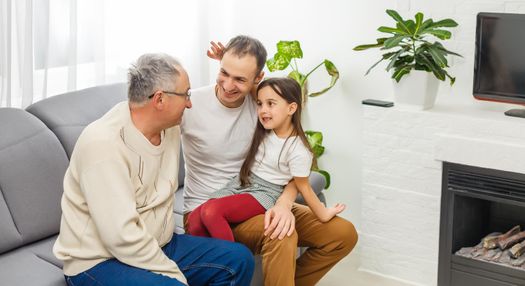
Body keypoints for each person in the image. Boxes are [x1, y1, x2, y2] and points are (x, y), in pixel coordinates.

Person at [53, 53, 254, 286]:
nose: (190, 103)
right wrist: (173, 274)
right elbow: (121, 237)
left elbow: (223, 112)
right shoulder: (102, 145)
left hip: (159, 243)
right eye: (186, 95)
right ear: (160, 100)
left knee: (239, 260)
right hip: (99, 261)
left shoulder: (168, 127)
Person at [181, 36, 358, 286]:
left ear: (257, 79)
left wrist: (285, 203)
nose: (228, 85)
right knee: (281, 233)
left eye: (240, 79)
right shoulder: (190, 103)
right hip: (206, 208)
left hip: (260, 198)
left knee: (343, 234)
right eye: (224, 73)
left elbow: (293, 161)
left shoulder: (263, 107)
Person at [187, 77, 347, 241]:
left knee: (211, 211)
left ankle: (234, 261)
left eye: (270, 104)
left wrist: (324, 214)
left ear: (291, 108)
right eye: (260, 104)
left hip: (265, 192)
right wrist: (233, 69)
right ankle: (210, 263)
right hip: (242, 183)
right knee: (194, 220)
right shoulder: (265, 129)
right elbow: (250, 85)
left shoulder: (298, 150)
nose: (263, 110)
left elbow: (304, 187)